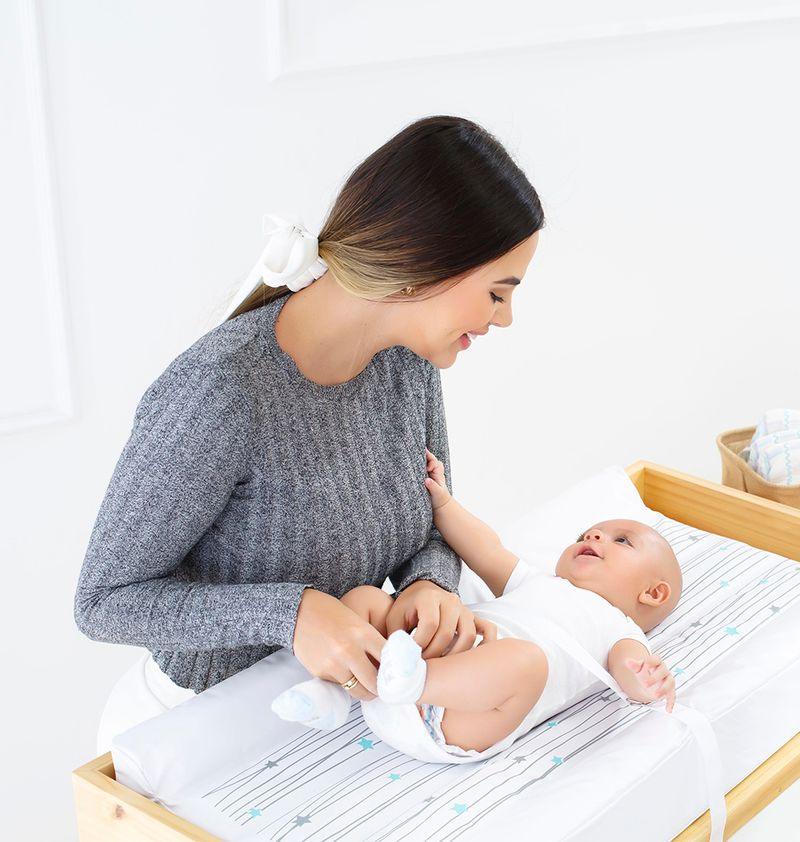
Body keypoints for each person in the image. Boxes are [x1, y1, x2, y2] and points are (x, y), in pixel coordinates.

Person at [73, 114, 545, 755]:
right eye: (497, 293)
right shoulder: (219, 393)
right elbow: (103, 600)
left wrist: (429, 586)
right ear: (423, 270)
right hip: (198, 734)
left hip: (330, 725)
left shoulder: (406, 358)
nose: (506, 317)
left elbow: (435, 520)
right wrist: (290, 612)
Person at [273, 448, 683, 764]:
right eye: (588, 534)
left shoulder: (621, 628)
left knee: (527, 662)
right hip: (409, 673)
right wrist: (443, 504)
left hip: (460, 719)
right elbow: (485, 550)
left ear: (653, 593)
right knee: (366, 599)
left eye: (621, 540)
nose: (594, 537)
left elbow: (629, 669)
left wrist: (647, 680)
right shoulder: (538, 582)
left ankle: (407, 682)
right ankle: (337, 691)